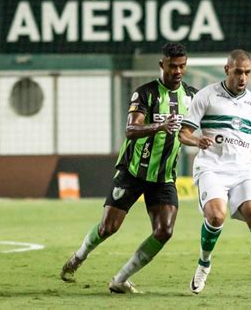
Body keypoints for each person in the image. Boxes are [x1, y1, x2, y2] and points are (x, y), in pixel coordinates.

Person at [60, 43, 197, 293]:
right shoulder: (145, 93)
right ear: (162, 65)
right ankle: (79, 256)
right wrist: (159, 126)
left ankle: (120, 279)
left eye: (182, 66)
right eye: (173, 66)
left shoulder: (192, 97)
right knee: (108, 228)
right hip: (133, 172)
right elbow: (131, 130)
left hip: (163, 177)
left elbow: (199, 127)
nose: (178, 71)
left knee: (164, 231)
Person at [179, 49, 251, 299]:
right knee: (216, 216)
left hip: (242, 171)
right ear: (227, 69)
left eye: (247, 72)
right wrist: (197, 141)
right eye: (238, 71)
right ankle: (204, 263)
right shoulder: (206, 96)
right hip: (212, 167)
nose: (243, 77)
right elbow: (183, 133)